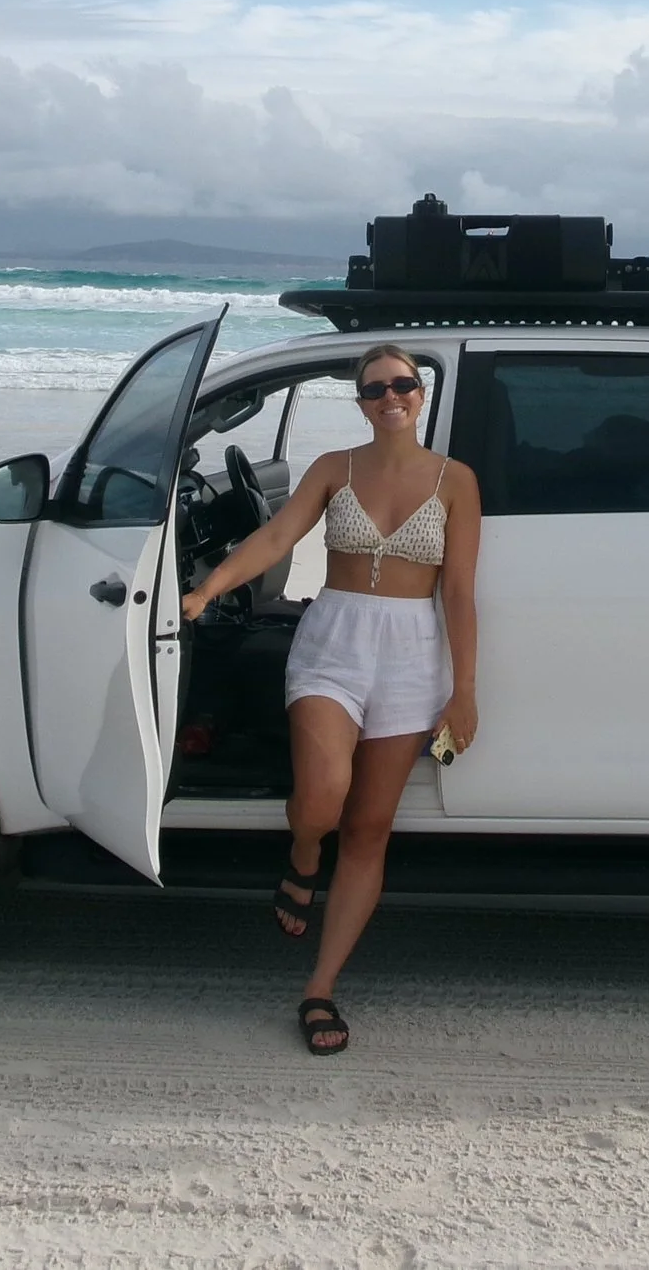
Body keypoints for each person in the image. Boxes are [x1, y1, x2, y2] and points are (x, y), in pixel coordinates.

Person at [180, 343, 480, 1056]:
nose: (391, 396)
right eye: (375, 388)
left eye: (403, 383)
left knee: (370, 828)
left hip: (412, 657)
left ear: (421, 393)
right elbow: (276, 536)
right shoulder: (332, 468)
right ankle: (305, 850)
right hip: (333, 643)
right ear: (360, 402)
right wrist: (207, 589)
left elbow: (460, 592)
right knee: (322, 800)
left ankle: (319, 986)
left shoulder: (456, 481)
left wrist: (464, 691)